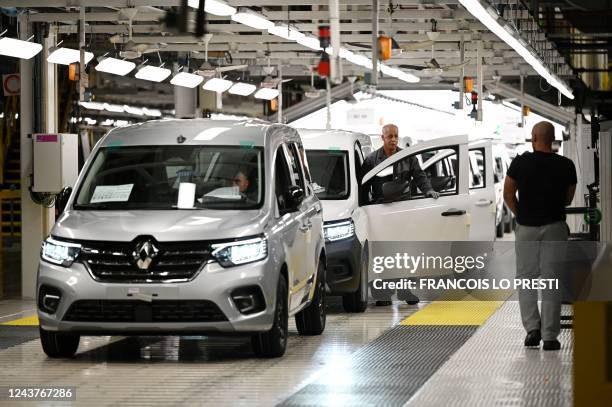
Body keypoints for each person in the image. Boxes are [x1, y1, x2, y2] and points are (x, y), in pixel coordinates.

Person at [504, 121, 577, 351]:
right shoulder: (566, 165)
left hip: (527, 228)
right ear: (552, 139)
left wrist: (522, 214)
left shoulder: (520, 162)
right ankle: (550, 337)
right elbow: (567, 199)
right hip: (555, 226)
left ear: (534, 138)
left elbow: (508, 194)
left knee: (526, 279)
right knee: (552, 280)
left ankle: (532, 330)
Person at [362, 123, 439, 306]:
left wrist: (428, 191)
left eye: (396, 136)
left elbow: (420, 176)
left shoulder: (408, 158)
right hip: (381, 213)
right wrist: (363, 209)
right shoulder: (372, 160)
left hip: (404, 212)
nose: (394, 139)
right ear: (383, 138)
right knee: (383, 254)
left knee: (403, 253)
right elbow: (363, 187)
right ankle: (384, 294)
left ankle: (405, 290)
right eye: (390, 136)